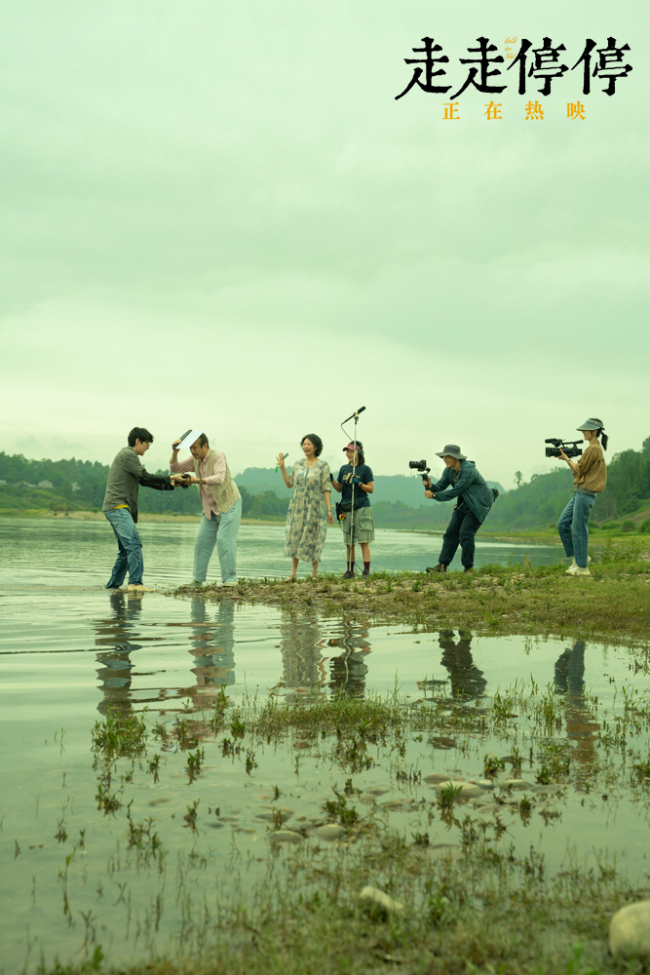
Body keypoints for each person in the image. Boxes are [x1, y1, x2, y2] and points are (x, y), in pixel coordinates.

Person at [102, 427, 185, 592]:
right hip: (117, 506)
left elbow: (144, 481)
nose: (148, 447)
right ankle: (135, 584)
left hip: (116, 507)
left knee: (126, 550)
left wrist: (171, 484)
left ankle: (113, 587)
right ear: (138, 441)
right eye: (147, 443)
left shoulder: (128, 456)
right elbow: (145, 476)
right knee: (134, 544)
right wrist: (170, 477)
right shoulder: (128, 455)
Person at [170, 432, 242, 587]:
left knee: (225, 540)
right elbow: (175, 467)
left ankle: (230, 580)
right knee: (201, 542)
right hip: (210, 507)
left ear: (205, 445)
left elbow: (219, 478)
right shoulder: (195, 459)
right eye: (190, 448)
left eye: (195, 448)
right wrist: (175, 452)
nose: (192, 451)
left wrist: (194, 480)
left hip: (229, 504)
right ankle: (197, 580)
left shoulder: (217, 456)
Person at [423, 444, 495, 573]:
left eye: (447, 456)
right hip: (465, 503)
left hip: (479, 504)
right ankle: (442, 567)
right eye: (443, 457)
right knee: (451, 534)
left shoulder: (469, 471)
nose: (444, 459)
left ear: (456, 458)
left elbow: (456, 491)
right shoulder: (449, 471)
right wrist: (430, 485)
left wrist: (434, 496)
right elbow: (440, 487)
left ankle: (468, 569)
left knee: (465, 534)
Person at [276, 434, 333, 581]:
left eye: (308, 444)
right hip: (297, 504)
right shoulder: (298, 464)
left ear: (316, 447)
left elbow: (326, 488)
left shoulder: (323, 466)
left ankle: (314, 575)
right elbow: (290, 484)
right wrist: (282, 468)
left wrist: (329, 510)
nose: (305, 447)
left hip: (315, 506)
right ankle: (293, 574)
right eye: (304, 444)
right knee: (295, 535)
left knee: (314, 536)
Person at [557, 418, 608, 577]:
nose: (583, 432)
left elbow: (579, 470)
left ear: (595, 432)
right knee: (563, 524)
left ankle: (583, 567)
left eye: (586, 430)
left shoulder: (593, 449)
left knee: (579, 530)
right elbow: (580, 471)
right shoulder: (591, 449)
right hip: (579, 492)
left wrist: (567, 459)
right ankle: (580, 558)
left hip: (584, 494)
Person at [331, 441, 375, 577]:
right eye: (347, 452)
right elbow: (339, 488)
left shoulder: (365, 469)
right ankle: (349, 571)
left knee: (363, 540)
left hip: (362, 507)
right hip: (346, 508)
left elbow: (371, 489)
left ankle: (366, 571)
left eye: (351, 451)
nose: (349, 454)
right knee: (349, 542)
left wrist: (359, 483)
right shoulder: (344, 469)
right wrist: (331, 479)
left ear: (359, 452)